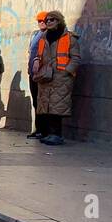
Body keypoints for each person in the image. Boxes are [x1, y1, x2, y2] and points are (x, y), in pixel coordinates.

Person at [32, 10, 80, 145]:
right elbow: (39, 54)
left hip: (61, 78)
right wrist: (36, 61)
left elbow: (75, 58)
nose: (48, 22)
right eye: (47, 20)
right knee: (46, 106)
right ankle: (48, 133)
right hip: (45, 77)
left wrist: (67, 72)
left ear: (58, 21)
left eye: (51, 20)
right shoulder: (43, 37)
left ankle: (56, 134)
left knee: (57, 108)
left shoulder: (70, 38)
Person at [26, 11, 48, 138]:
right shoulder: (35, 34)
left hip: (43, 74)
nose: (41, 23)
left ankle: (44, 130)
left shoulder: (50, 35)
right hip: (33, 73)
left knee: (42, 102)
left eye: (43, 21)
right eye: (39, 21)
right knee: (36, 102)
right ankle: (38, 128)